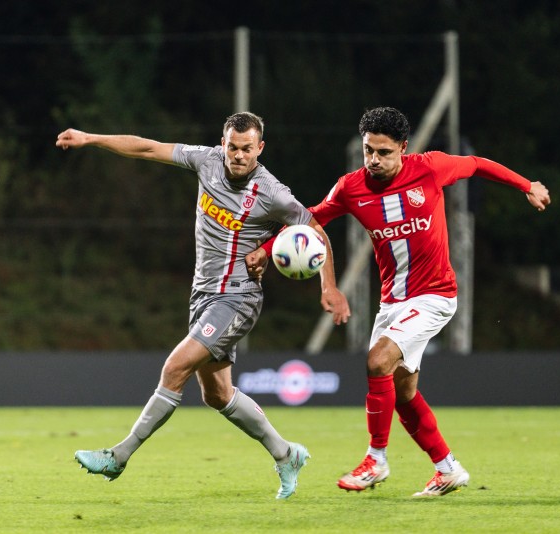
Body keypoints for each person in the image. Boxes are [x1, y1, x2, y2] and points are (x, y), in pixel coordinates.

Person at [247, 106, 551, 497]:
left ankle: (376, 458)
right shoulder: (350, 187)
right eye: (368, 150)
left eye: (384, 152)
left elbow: (476, 164)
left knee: (377, 361)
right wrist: (268, 247)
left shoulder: (430, 168)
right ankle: (447, 468)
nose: (373, 159)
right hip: (393, 302)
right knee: (403, 393)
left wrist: (526, 185)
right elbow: (313, 218)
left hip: (436, 294)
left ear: (403, 149)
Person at [55, 112, 350, 499]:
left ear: (259, 149)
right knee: (217, 395)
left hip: (238, 297)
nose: (238, 155)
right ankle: (286, 454)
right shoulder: (206, 160)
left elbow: (317, 232)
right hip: (203, 296)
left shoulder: (273, 193)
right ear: (223, 143)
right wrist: (90, 138)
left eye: (247, 149)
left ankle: (119, 456)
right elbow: (147, 147)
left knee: (175, 366)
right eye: (232, 146)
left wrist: (329, 287)